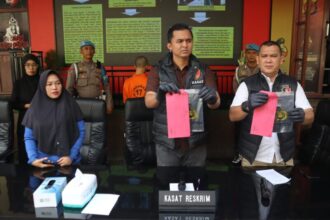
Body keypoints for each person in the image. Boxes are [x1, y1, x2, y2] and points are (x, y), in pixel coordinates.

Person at [145, 23, 220, 167]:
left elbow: (216, 103)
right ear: (169, 45)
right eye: (179, 41)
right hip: (167, 142)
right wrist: (159, 94)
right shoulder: (157, 70)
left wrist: (212, 97)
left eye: (188, 41)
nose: (185, 45)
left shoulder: (204, 69)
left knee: (196, 185)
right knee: (167, 185)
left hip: (195, 142)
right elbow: (149, 102)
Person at [229, 40, 314, 167]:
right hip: (253, 157)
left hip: (283, 158)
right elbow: (232, 116)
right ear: (258, 59)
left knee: (286, 187)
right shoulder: (247, 84)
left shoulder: (292, 84)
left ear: (281, 59)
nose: (269, 60)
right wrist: (247, 106)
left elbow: (310, 116)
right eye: (264, 56)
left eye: (273, 56)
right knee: (250, 187)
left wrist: (302, 115)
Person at [22, 70, 85, 168]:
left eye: (58, 83)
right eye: (49, 84)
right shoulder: (34, 108)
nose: (54, 87)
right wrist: (33, 159)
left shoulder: (71, 104)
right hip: (43, 163)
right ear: (43, 86)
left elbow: (81, 131)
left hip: (70, 162)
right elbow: (29, 137)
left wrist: (71, 157)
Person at [65, 40, 114, 114]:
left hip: (97, 103)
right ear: (81, 52)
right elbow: (69, 88)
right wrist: (69, 106)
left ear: (94, 51)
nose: (89, 51)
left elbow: (107, 87)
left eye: (91, 49)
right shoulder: (75, 67)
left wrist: (109, 104)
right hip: (81, 104)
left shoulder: (100, 67)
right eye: (86, 48)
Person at [232, 43, 260, 164]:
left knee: (258, 131)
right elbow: (235, 87)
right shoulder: (239, 69)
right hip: (243, 106)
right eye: (249, 53)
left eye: (254, 53)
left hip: (260, 107)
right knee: (239, 131)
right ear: (245, 55)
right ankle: (239, 154)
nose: (251, 56)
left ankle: (257, 155)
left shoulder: (263, 69)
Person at [11, 54, 40, 164]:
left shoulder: (42, 80)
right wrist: (26, 106)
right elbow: (13, 103)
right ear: (24, 67)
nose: (31, 68)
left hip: (41, 117)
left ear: (37, 66)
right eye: (28, 65)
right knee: (25, 144)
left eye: (33, 65)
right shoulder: (19, 83)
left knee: (40, 143)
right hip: (25, 118)